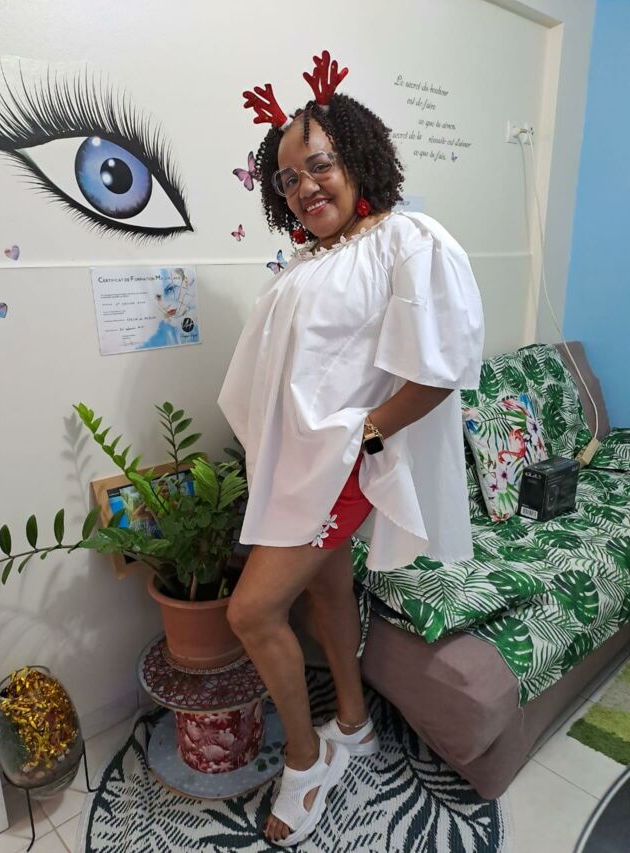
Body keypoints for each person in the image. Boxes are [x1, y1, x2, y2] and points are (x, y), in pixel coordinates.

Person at [217, 51, 485, 846]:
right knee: (327, 589)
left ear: (359, 157)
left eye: (320, 164)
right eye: (287, 179)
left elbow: (438, 370)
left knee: (251, 610)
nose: (305, 187)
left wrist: (361, 437)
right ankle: (356, 722)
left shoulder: (407, 240)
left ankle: (306, 763)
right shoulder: (309, 261)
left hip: (339, 465)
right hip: (297, 463)